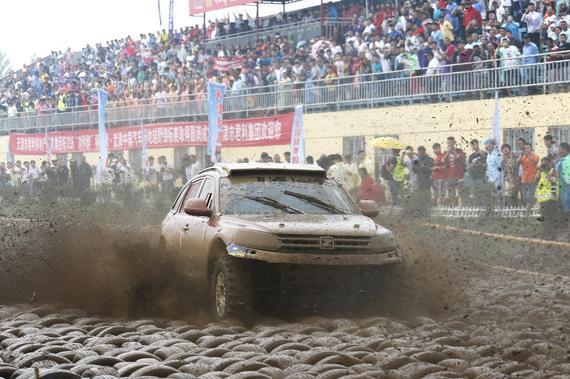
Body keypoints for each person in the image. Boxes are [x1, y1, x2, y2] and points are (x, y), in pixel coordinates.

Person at [536, 157, 560, 239]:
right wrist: (539, 170)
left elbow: (553, 181)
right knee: (544, 218)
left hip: (550, 199)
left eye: (545, 163)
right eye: (542, 163)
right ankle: (546, 235)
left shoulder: (552, 171)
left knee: (550, 218)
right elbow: (536, 179)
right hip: (543, 200)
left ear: (549, 163)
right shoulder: (542, 173)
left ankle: (552, 236)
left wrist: (547, 171)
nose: (543, 165)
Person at [442, 136, 466, 206]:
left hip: (459, 175)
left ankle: (462, 207)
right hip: (450, 176)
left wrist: (453, 151)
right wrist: (447, 153)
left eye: (452, 143)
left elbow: (459, 158)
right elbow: (442, 161)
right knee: (451, 193)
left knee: (461, 193)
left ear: (454, 143)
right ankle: (453, 208)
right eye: (449, 143)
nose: (450, 145)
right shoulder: (446, 152)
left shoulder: (459, 150)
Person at [466, 139, 487, 206]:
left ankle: (483, 207)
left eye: (474, 144)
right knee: (476, 193)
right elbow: (468, 167)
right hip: (474, 177)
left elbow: (487, 165)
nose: (473, 147)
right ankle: (477, 208)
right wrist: (473, 165)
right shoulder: (471, 156)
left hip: (482, 176)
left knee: (482, 193)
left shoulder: (484, 154)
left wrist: (480, 164)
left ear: (478, 144)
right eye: (472, 145)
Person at [484, 138, 503, 204]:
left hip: (497, 179)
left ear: (493, 145)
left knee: (498, 196)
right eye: (486, 146)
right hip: (491, 179)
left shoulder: (497, 154)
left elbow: (500, 168)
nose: (487, 147)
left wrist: (498, 180)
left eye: (488, 145)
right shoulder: (489, 155)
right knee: (492, 196)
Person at [556, 142, 570, 220]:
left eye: (560, 149)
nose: (558, 151)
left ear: (565, 149)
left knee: (567, 208)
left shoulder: (567, 159)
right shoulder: (561, 160)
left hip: (567, 186)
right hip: (562, 187)